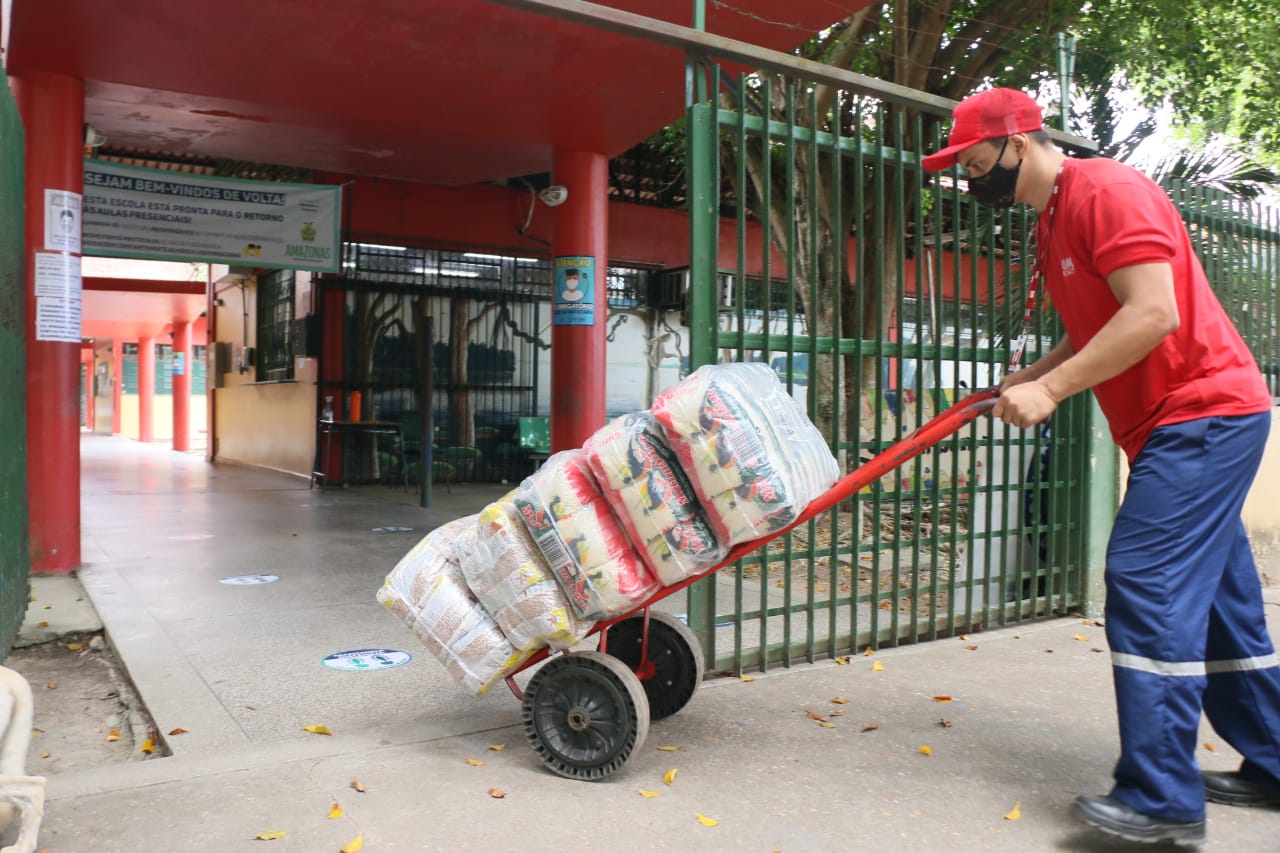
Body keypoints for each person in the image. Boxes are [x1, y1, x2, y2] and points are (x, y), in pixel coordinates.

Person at [924, 88, 1279, 847]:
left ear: (1017, 142)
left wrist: (1052, 390)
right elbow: (1097, 322)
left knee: (1148, 580)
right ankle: (1277, 761)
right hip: (1181, 423)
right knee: (1222, 602)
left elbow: (1153, 312)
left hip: (1202, 415)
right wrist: (1028, 378)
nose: (966, 175)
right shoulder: (1055, 214)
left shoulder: (1106, 192)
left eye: (972, 161)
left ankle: (1162, 802)